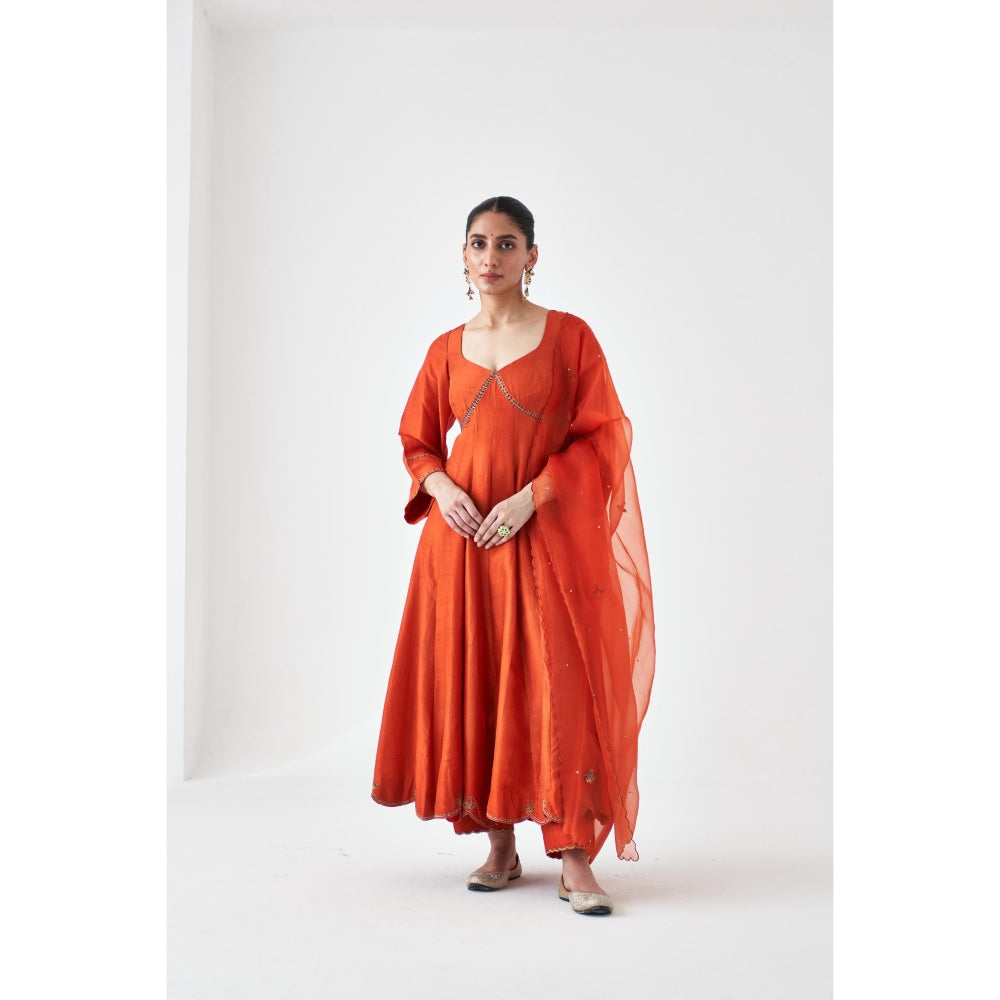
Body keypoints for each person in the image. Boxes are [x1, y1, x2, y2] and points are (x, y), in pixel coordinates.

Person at [371, 196, 655, 916]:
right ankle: (498, 845)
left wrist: (534, 496)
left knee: (560, 686)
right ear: (462, 256)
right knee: (480, 679)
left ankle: (574, 855)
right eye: (479, 243)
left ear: (532, 255)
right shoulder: (445, 349)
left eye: (506, 243)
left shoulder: (570, 337)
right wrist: (440, 488)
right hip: (464, 546)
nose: (491, 257)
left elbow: (604, 435)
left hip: (546, 539)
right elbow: (416, 441)